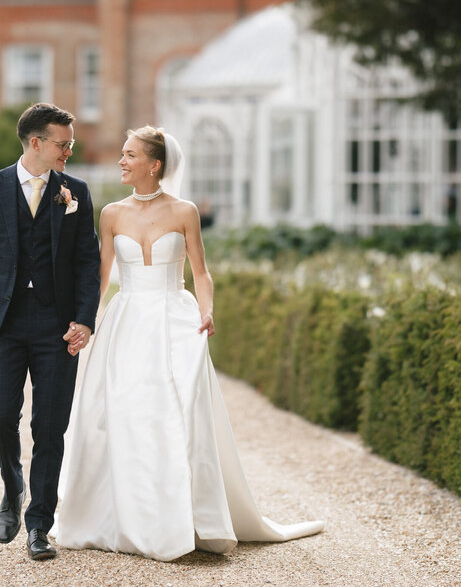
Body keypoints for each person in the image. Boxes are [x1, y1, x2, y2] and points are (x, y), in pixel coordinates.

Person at [52, 126, 323, 561]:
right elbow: (101, 275)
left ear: (154, 164)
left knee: (167, 413)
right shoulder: (111, 213)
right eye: (122, 154)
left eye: (129, 155)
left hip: (173, 320)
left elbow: (201, 272)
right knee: (119, 411)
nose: (121, 161)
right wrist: (87, 321)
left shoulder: (185, 211)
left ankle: (178, 517)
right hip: (126, 320)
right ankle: (120, 516)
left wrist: (206, 309)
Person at [0, 103, 101, 561]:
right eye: (63, 143)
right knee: (0, 416)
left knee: (50, 426)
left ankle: (40, 524)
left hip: (57, 327)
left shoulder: (76, 191)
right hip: (3, 322)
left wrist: (84, 318)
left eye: (70, 144)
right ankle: (12, 482)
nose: (69, 151)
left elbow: (87, 263)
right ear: (36, 143)